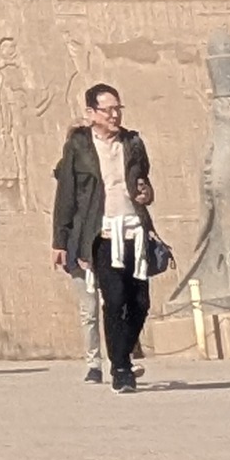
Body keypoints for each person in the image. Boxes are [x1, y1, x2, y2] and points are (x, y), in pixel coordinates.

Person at [52, 80, 160, 396]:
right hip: (102, 234)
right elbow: (66, 194)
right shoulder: (78, 146)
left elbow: (143, 182)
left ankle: (121, 353)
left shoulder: (133, 142)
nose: (114, 115)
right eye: (108, 109)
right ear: (91, 112)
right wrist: (60, 240)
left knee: (140, 302)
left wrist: (146, 194)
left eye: (118, 108)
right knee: (114, 300)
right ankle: (121, 369)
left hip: (134, 230)